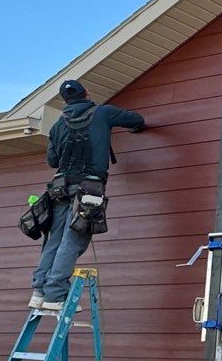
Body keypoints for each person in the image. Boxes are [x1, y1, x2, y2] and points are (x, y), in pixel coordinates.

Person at [29, 80, 146, 310]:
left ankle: (39, 291)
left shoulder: (56, 126)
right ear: (87, 94)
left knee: (54, 239)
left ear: (65, 101)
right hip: (89, 188)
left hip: (60, 187)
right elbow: (136, 120)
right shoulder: (102, 112)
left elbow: (52, 161)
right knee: (73, 239)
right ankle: (55, 296)